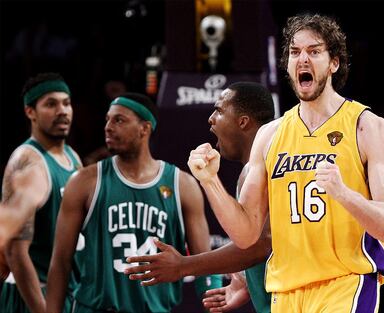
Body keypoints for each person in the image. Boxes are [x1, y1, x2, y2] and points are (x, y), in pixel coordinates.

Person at [188, 13, 384, 312]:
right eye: (295, 52)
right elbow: (247, 233)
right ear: (287, 64)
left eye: (314, 51)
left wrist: (343, 194)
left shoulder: (368, 127)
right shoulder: (270, 135)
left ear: (334, 63)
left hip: (345, 283)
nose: (303, 59)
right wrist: (209, 180)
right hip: (286, 291)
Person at [46, 92, 221, 313]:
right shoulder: (84, 182)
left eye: (119, 120)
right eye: (107, 120)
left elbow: (204, 264)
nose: (108, 127)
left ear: (144, 128)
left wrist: (215, 306)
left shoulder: (182, 185)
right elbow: (60, 263)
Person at [124, 82, 275, 313]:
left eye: (220, 111)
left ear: (243, 121)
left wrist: (183, 265)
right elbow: (267, 246)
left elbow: (259, 246)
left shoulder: (266, 166)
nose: (211, 119)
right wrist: (248, 279)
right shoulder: (252, 170)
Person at [0, 72, 82, 313]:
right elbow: (15, 250)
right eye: (51, 104)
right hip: (34, 295)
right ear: (30, 112)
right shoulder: (27, 159)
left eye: (66, 103)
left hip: (66, 292)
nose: (62, 111)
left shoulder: (72, 157)